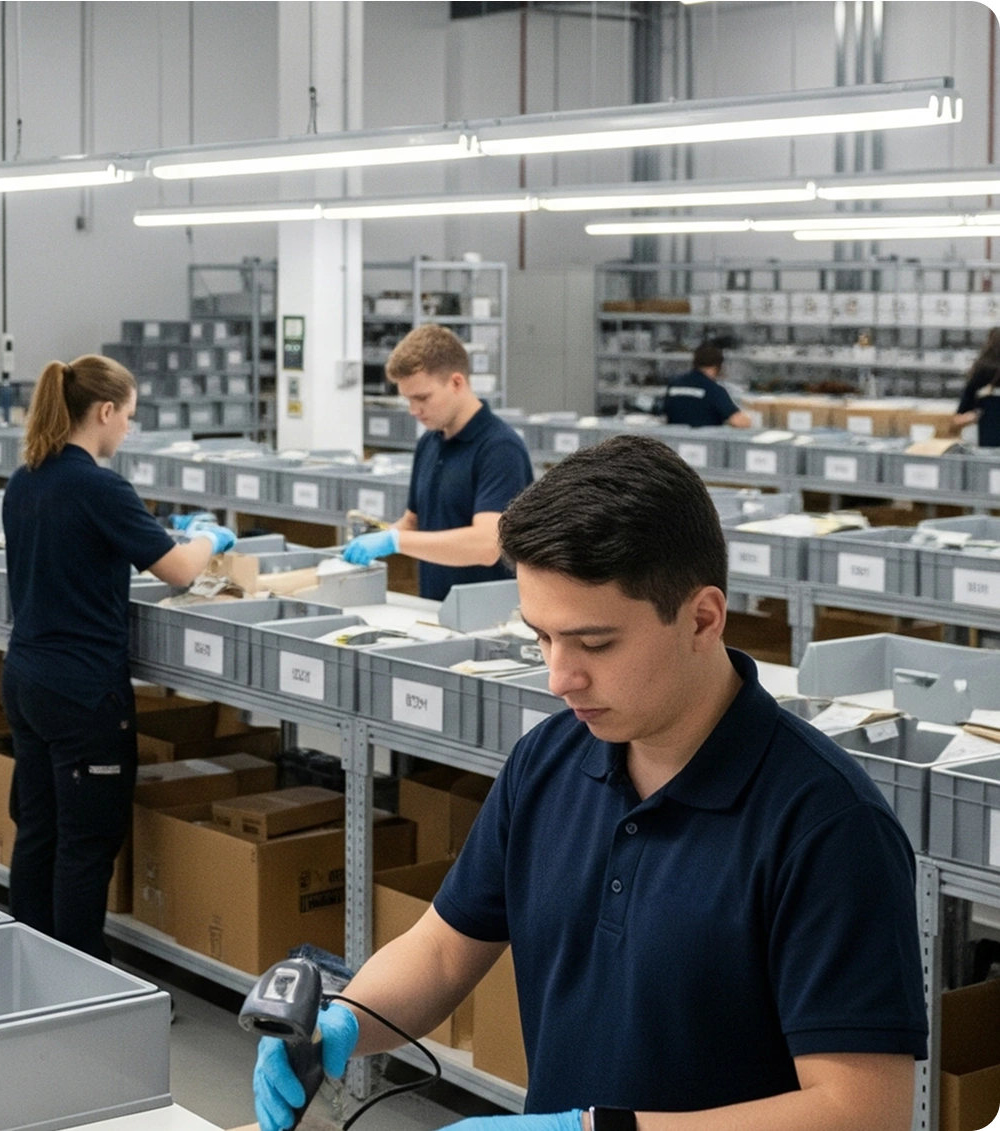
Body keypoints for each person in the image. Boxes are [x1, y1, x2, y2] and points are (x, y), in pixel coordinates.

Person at [253, 434, 926, 1131]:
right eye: (541, 637)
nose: (559, 677)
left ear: (702, 619)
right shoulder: (547, 762)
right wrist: (343, 1021)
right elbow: (445, 950)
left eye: (595, 643)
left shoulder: (828, 826)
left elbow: (863, 1112)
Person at [0, 356, 231, 961]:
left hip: (27, 678)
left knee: (39, 830)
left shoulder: (25, 479)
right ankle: (83, 980)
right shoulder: (98, 486)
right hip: (82, 693)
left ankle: (28, 964)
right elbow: (179, 571)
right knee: (85, 845)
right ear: (104, 411)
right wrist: (208, 537)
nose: (128, 428)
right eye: (128, 416)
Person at [341, 324, 533, 601]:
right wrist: (377, 538)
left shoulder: (500, 448)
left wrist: (395, 541)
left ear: (456, 383)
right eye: (408, 399)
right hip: (433, 607)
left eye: (422, 398)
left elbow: (487, 545)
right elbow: (413, 522)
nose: (413, 410)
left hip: (489, 615)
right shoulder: (429, 443)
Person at [662, 341, 752, 429]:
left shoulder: (674, 384)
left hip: (673, 437)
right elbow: (740, 422)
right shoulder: (714, 390)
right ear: (718, 366)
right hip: (704, 438)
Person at [952, 327, 1000, 446]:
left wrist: (977, 414)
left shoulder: (981, 374)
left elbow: (959, 418)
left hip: (984, 446)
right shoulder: (983, 374)